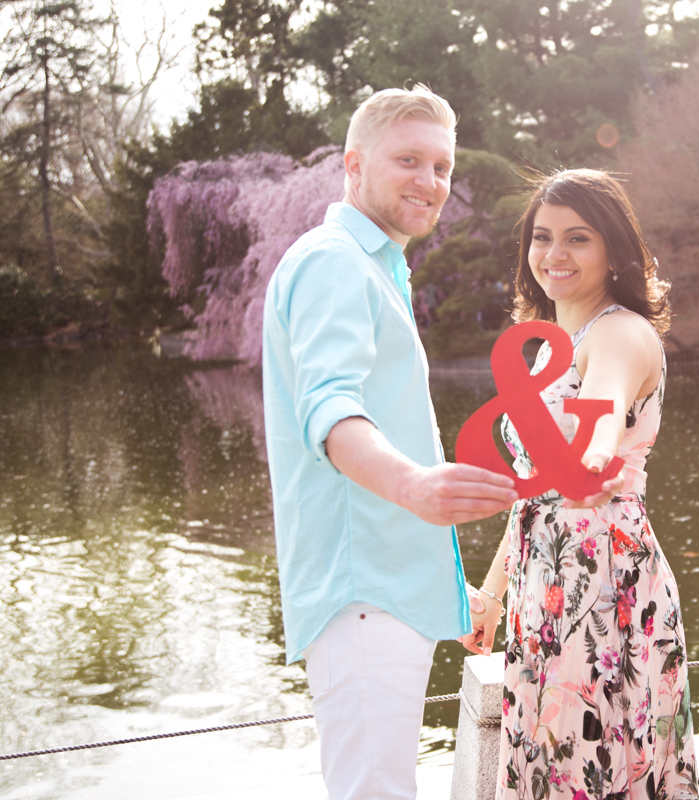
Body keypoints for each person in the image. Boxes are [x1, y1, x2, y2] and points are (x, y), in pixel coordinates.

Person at [261, 86, 519, 800]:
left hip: (385, 588)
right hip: (362, 593)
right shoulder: (336, 261)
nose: (429, 181)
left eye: (442, 166)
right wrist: (415, 486)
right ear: (353, 164)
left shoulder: (376, 265)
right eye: (408, 160)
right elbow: (330, 411)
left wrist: (453, 588)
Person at [463, 169, 699, 800]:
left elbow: (603, 412)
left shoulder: (620, 332)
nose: (555, 253)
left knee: (592, 766)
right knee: (550, 764)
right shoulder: (550, 349)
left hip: (602, 589)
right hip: (540, 588)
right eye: (542, 237)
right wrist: (492, 596)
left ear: (613, 250)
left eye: (578, 238)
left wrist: (591, 459)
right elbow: (535, 494)